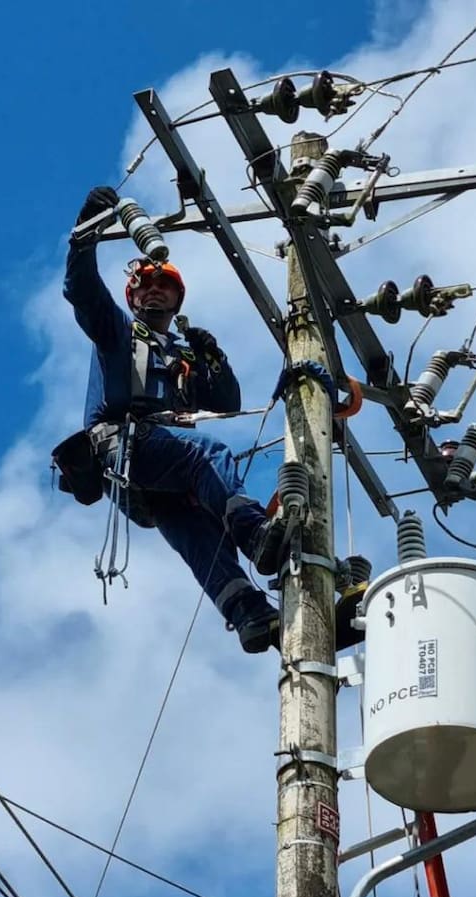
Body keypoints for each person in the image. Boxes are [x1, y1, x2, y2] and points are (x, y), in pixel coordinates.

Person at [62, 185, 284, 654]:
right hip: (124, 449)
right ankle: (254, 533)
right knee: (207, 454)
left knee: (200, 537)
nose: (157, 291)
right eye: (149, 285)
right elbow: (81, 292)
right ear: (134, 295)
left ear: (177, 301)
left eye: (166, 287)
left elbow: (224, 403)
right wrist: (84, 236)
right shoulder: (117, 332)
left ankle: (250, 614)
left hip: (154, 477)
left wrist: (213, 360)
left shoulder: (180, 358)